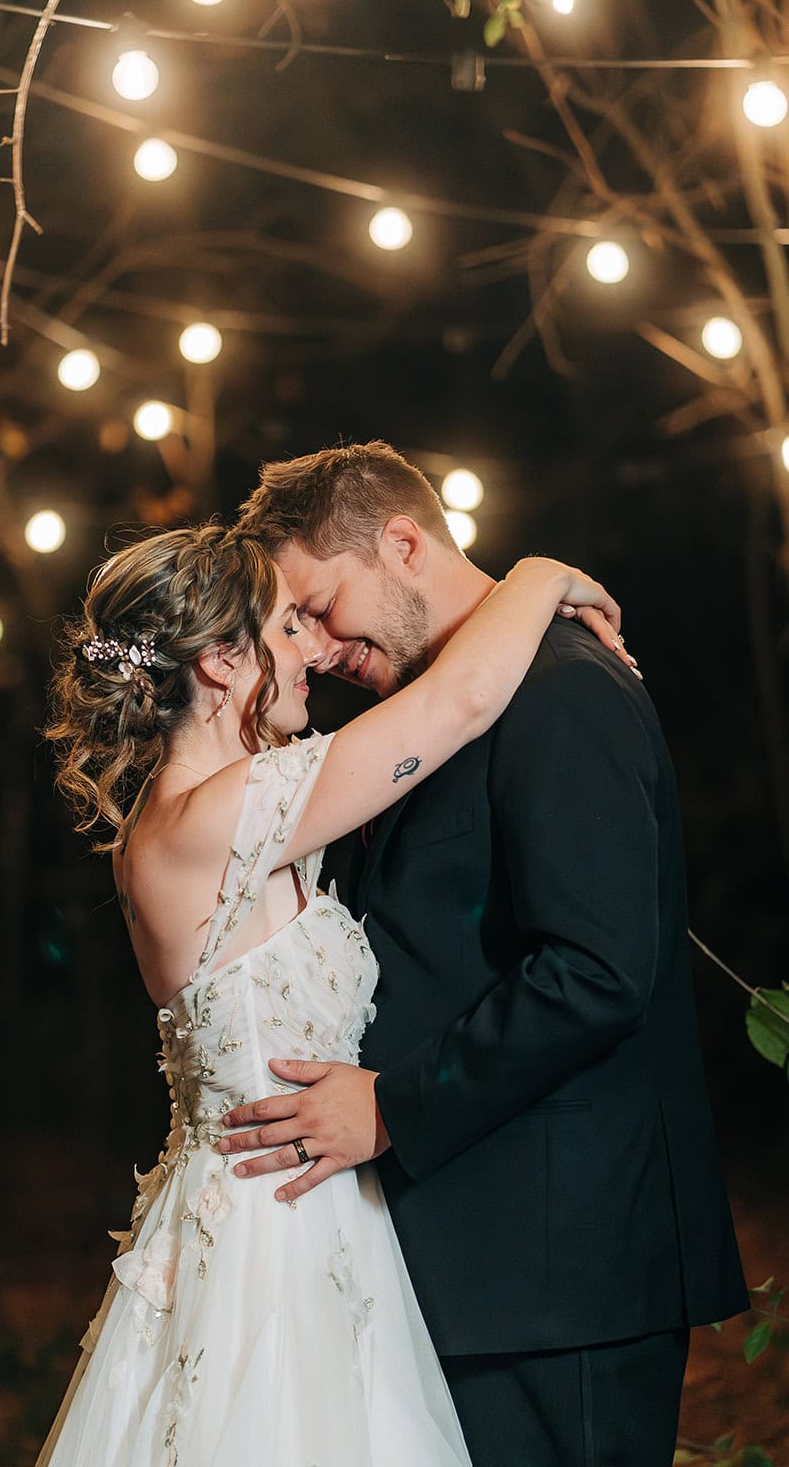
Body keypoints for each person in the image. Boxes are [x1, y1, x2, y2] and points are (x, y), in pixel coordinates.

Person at [37, 521, 621, 1467]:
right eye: (286, 631)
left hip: (316, 1214)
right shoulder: (222, 814)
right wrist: (542, 572)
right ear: (222, 662)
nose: (315, 650)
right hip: (272, 1248)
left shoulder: (199, 815)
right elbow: (463, 699)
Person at [226, 440, 750, 1467]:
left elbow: (595, 970)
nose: (319, 646)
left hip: (566, 1270)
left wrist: (390, 1107)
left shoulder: (561, 690)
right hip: (476, 1261)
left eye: (320, 605)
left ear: (403, 543)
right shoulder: (431, 709)